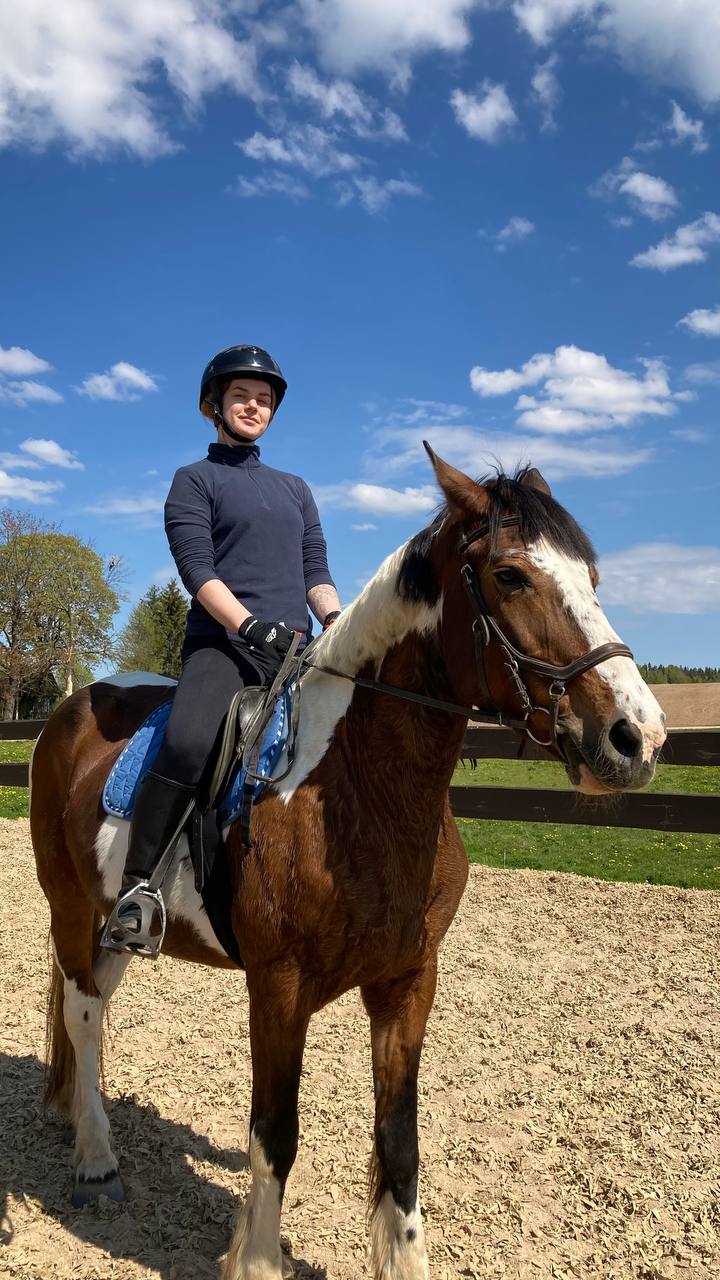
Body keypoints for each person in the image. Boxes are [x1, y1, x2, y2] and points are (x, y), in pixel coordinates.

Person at [101, 344, 341, 956]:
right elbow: (198, 570)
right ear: (215, 405)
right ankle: (139, 891)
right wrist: (248, 625)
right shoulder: (194, 481)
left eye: (263, 400)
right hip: (223, 648)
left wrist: (335, 620)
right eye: (241, 396)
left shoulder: (296, 489)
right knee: (186, 741)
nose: (253, 406)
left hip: (295, 651)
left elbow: (315, 571)